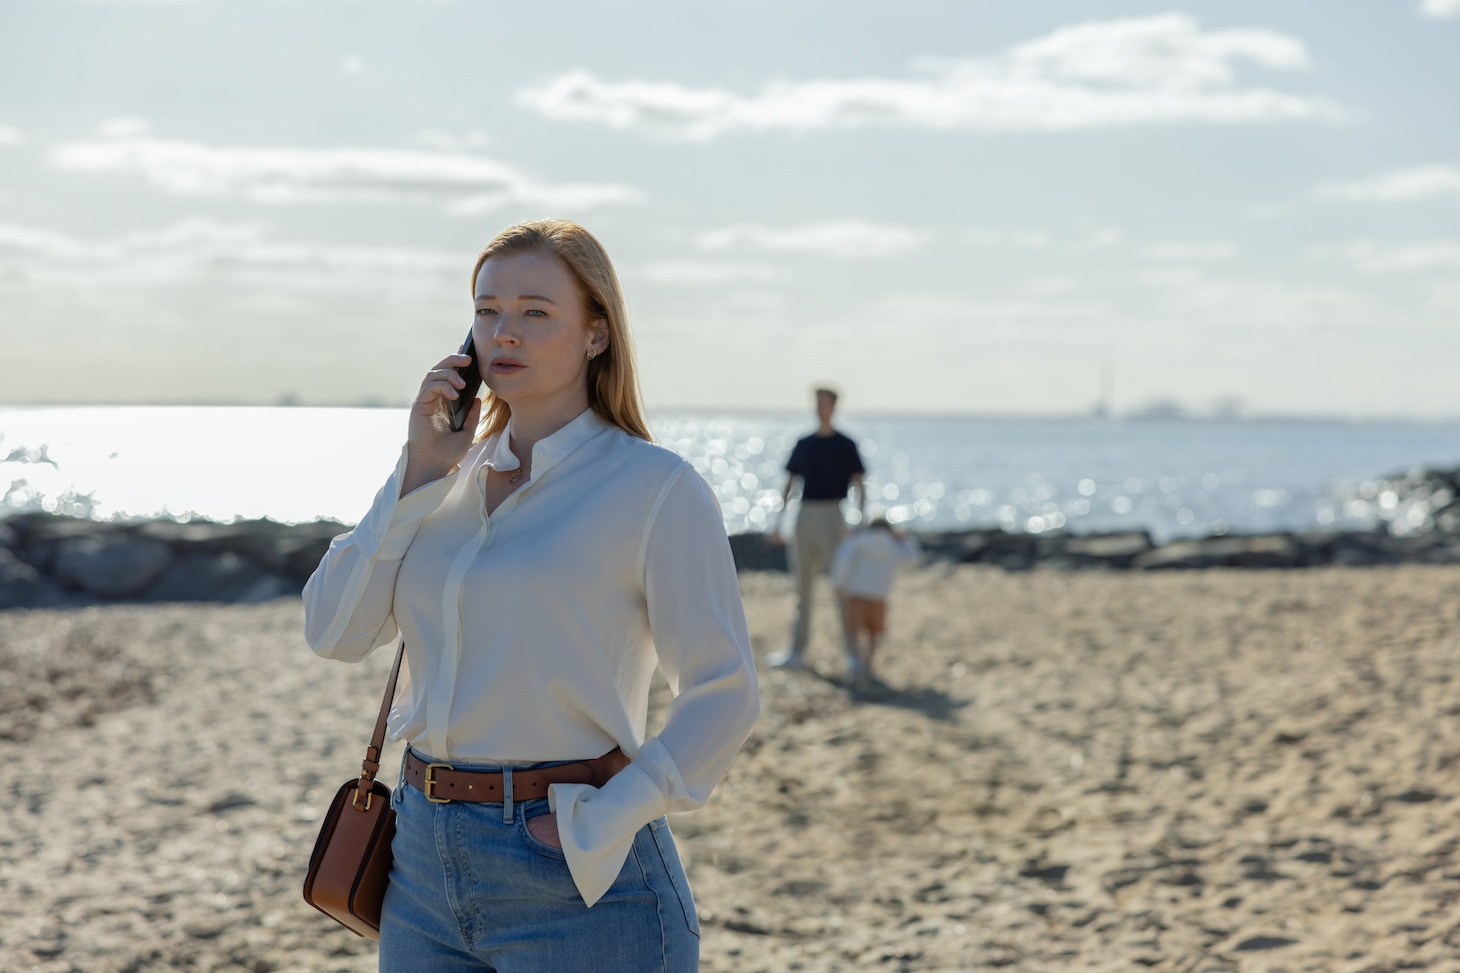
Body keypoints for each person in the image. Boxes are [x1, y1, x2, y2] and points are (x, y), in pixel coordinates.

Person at [303, 219, 759, 972]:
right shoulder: (441, 479)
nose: (502, 332)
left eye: (535, 311)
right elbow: (334, 630)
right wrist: (415, 472)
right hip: (419, 869)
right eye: (486, 311)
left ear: (596, 334)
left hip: (580, 876)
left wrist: (616, 810)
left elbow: (726, 687)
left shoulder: (656, 488)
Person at [767, 387, 865, 671]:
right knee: (802, 588)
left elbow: (859, 483)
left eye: (825, 403)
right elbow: (790, 483)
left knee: (841, 586)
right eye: (817, 403)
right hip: (804, 515)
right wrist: (778, 522)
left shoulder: (846, 444)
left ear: (834, 407)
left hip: (833, 515)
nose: (820, 408)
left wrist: (860, 521)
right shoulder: (804, 443)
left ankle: (852, 655)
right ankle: (796, 651)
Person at [831, 516, 920, 691]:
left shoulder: (856, 540)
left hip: (856, 593)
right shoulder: (893, 545)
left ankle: (856, 664)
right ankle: (869, 665)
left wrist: (838, 585)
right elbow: (913, 559)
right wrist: (905, 539)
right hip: (879, 596)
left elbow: (843, 562)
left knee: (852, 631)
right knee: (873, 633)